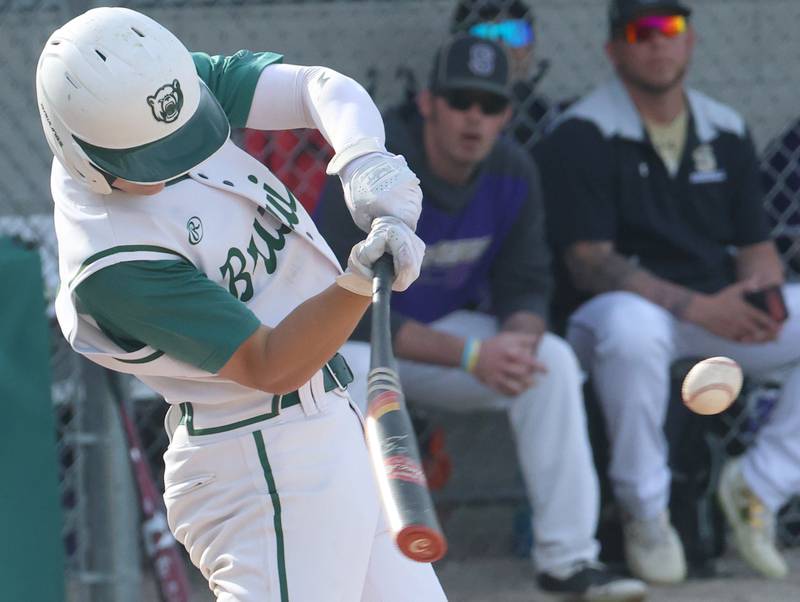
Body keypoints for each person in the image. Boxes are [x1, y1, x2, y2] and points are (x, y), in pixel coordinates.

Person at [36, 7, 446, 601]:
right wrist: (358, 279)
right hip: (260, 462)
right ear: (80, 153)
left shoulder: (158, 98)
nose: (174, 163)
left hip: (325, 427)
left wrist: (362, 157)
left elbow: (317, 87)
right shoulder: (111, 263)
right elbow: (270, 363)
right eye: (150, 160)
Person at [315, 34, 646, 602]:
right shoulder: (377, 172)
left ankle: (569, 561)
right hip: (361, 342)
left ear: (506, 115)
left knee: (553, 364)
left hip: (439, 340)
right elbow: (339, 304)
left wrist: (517, 340)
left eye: (489, 105)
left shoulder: (513, 170)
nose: (474, 117)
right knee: (336, 372)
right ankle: (350, 574)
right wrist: (472, 356)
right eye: (459, 100)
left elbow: (528, 281)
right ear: (428, 104)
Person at [535, 0, 800, 584]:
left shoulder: (725, 127)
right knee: (634, 330)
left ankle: (760, 485)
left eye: (671, 28)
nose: (658, 43)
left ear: (691, 40)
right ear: (614, 49)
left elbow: (755, 243)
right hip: (607, 319)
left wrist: (763, 292)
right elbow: (590, 265)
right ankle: (645, 511)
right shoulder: (582, 132)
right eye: (641, 31)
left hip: (714, 312)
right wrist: (704, 307)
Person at [450, 0, 567, 151]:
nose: (502, 45)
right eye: (486, 33)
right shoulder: (437, 120)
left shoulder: (552, 121)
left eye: (515, 32)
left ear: (531, 46)